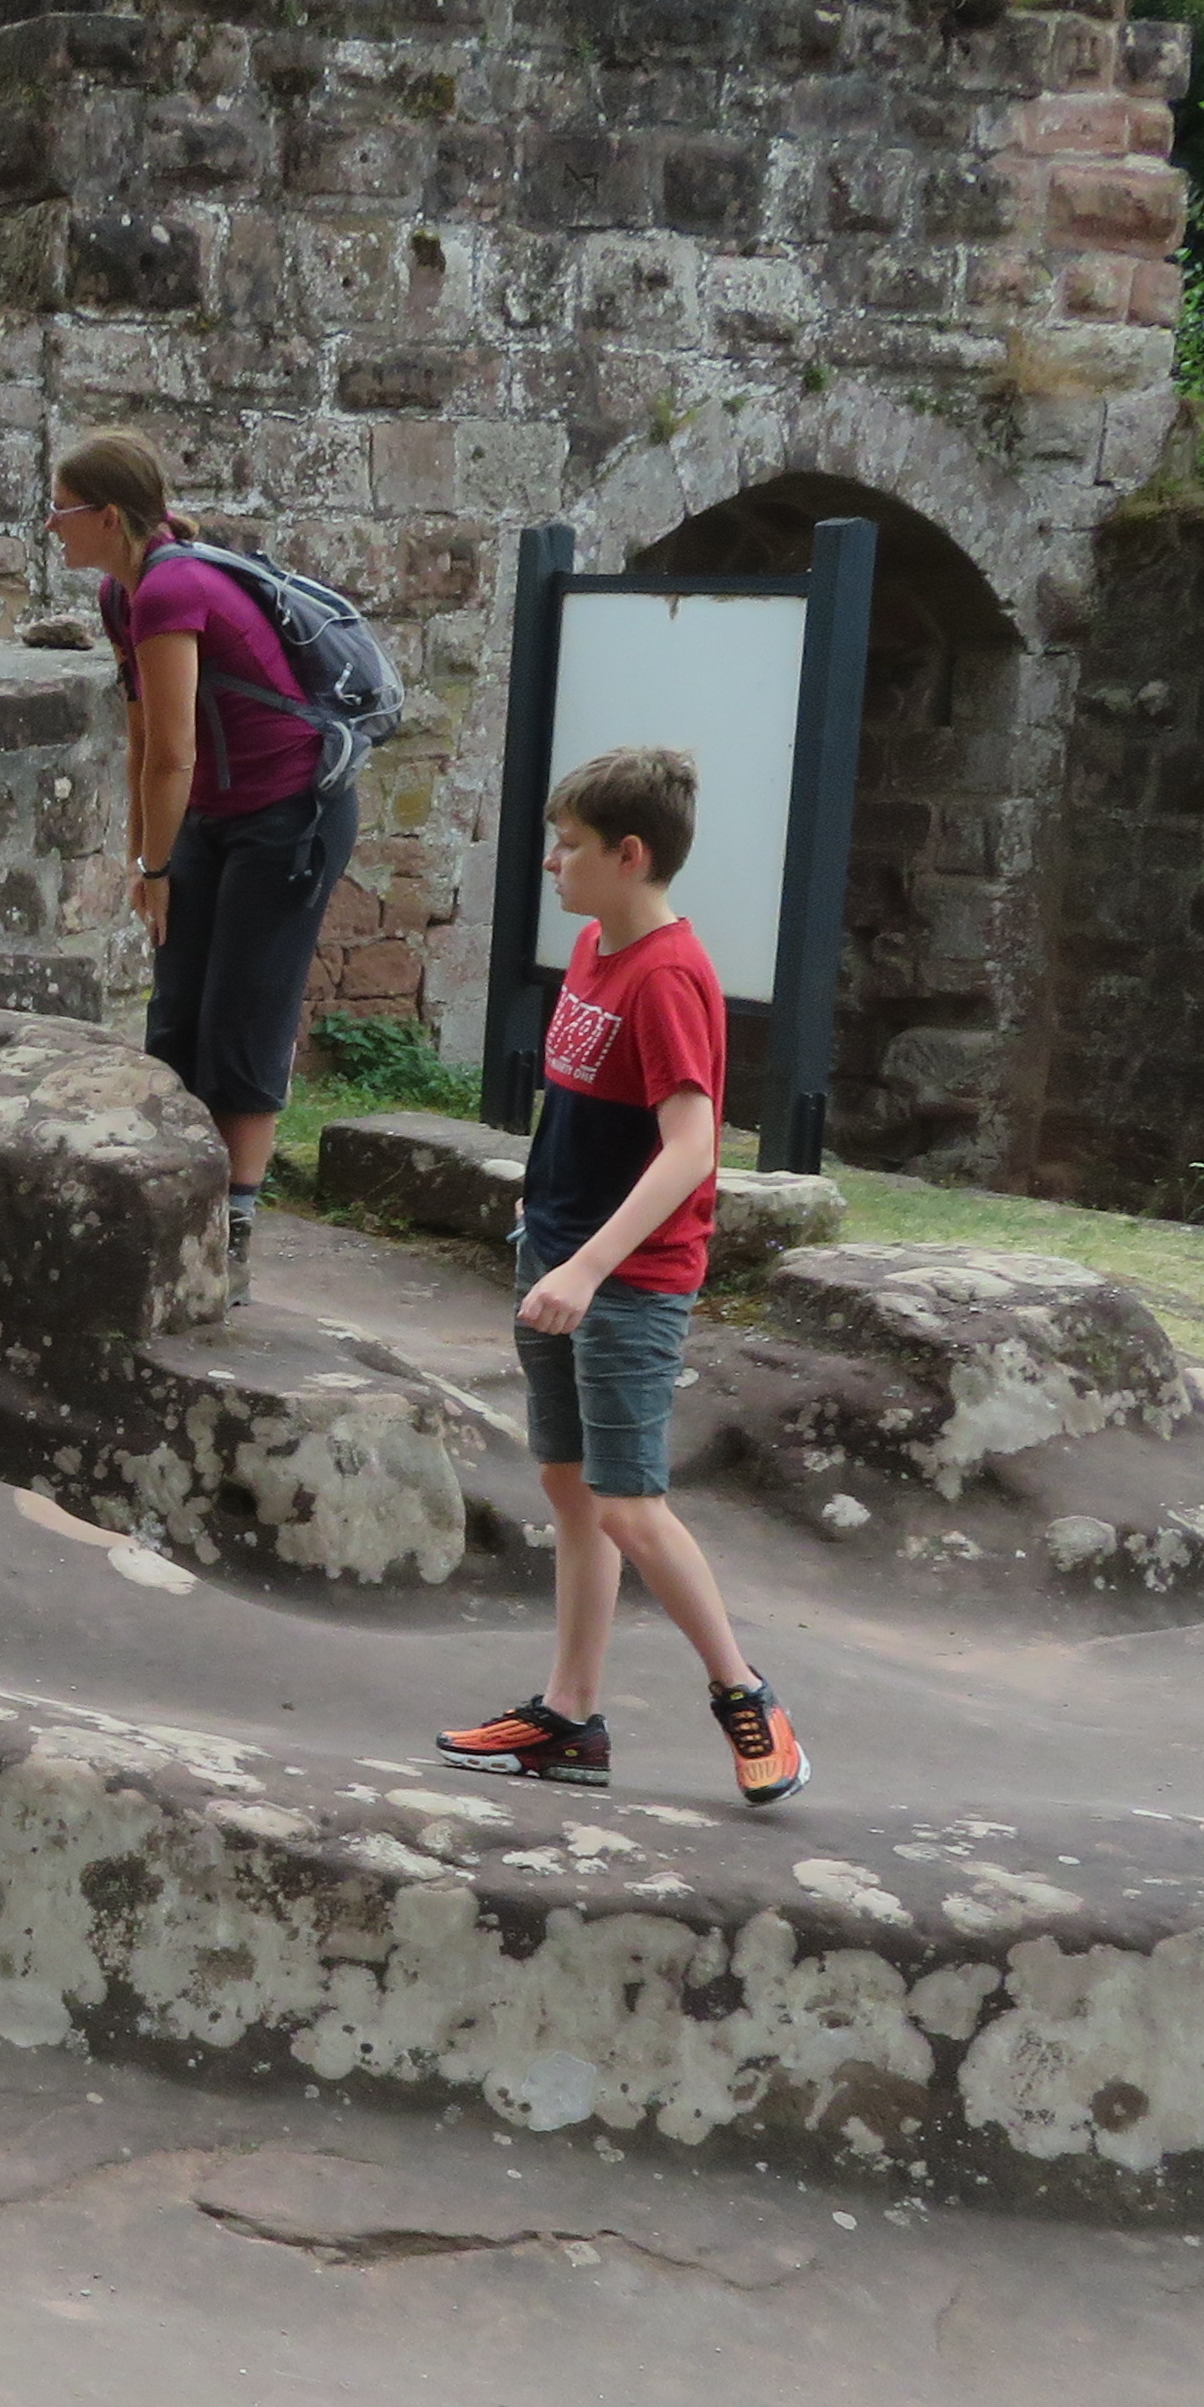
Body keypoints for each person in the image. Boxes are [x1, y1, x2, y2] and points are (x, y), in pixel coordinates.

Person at [436, 747, 811, 1805]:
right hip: (554, 1258)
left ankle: (747, 1698)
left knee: (630, 1505)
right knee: (573, 1491)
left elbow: (692, 1150)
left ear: (630, 854)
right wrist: (542, 1216)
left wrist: (590, 1268)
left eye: (570, 846)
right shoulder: (594, 948)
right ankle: (569, 1722)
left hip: (624, 1282)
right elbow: (580, 1110)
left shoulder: (668, 977)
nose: (552, 863)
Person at [46, 429, 356, 1302]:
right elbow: (141, 735)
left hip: (289, 815)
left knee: (244, 1012)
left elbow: (175, 752)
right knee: (178, 1011)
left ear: (110, 516)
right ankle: (174, 1206)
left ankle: (233, 1233)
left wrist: (155, 865)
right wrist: (146, 858)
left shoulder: (173, 585)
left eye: (63, 511)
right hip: (212, 815)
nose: (51, 526)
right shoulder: (121, 594)